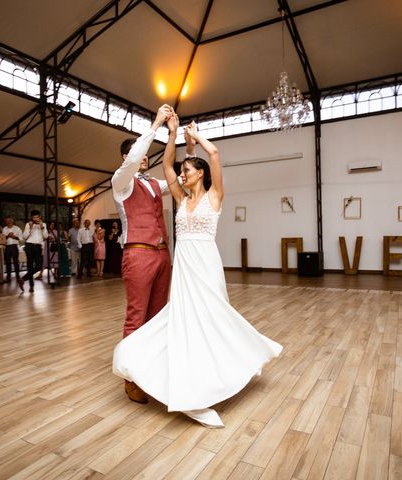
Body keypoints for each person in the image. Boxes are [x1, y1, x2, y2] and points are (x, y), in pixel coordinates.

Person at [113, 112, 282, 428]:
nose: (182, 173)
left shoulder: (215, 196)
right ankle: (157, 374)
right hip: (182, 265)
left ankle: (225, 368)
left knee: (213, 316)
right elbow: (167, 165)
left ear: (200, 174)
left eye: (188, 169)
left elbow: (214, 154)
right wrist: (173, 135)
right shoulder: (177, 196)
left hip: (205, 263)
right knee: (181, 319)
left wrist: (196, 137)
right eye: (184, 170)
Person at [110, 104, 173, 405]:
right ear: (127, 158)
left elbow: (174, 182)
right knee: (136, 317)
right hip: (137, 254)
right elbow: (136, 157)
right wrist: (155, 125)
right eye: (138, 153)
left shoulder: (152, 184)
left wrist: (175, 137)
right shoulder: (121, 182)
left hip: (162, 255)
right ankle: (131, 378)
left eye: (147, 153)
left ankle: (154, 369)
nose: (145, 156)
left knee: (158, 317)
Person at [17, 210, 48, 292]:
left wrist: (42, 228)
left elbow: (46, 236)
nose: (36, 219)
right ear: (32, 218)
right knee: (30, 267)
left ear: (40, 217)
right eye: (34, 217)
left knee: (39, 266)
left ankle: (22, 279)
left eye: (37, 217)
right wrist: (30, 228)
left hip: (38, 247)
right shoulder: (28, 224)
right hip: (29, 246)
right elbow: (24, 236)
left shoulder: (44, 224)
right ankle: (31, 286)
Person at [2, 216, 22, 282]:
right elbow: (2, 238)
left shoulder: (17, 228)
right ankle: (8, 277)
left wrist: (14, 237)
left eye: (9, 221)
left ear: (12, 221)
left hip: (14, 246)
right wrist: (8, 236)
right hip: (7, 247)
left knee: (16, 261)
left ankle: (18, 276)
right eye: (6, 221)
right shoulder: (4, 229)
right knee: (8, 262)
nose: (8, 222)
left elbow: (21, 239)